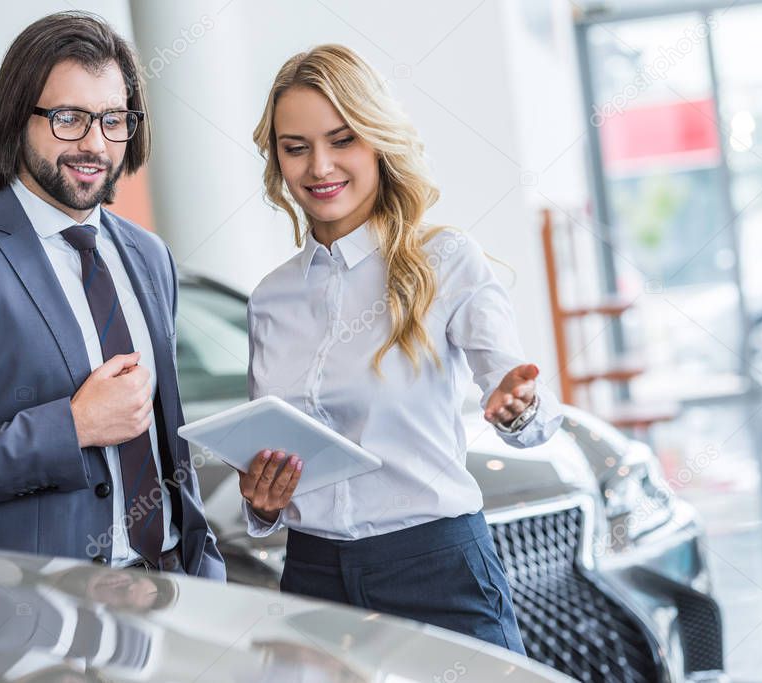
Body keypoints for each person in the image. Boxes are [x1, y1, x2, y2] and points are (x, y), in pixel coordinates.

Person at [0, 11, 224, 579]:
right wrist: (71, 427)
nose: (95, 144)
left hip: (176, 592)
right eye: (68, 118)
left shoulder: (150, 256)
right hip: (41, 622)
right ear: (16, 118)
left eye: (112, 119)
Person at [238, 44, 564, 653]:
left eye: (342, 140)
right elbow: (269, 465)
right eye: (296, 147)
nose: (319, 167)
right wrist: (261, 504)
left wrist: (520, 407)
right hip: (311, 580)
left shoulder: (444, 260)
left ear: (378, 141)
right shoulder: (270, 299)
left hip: (434, 570)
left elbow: (533, 412)